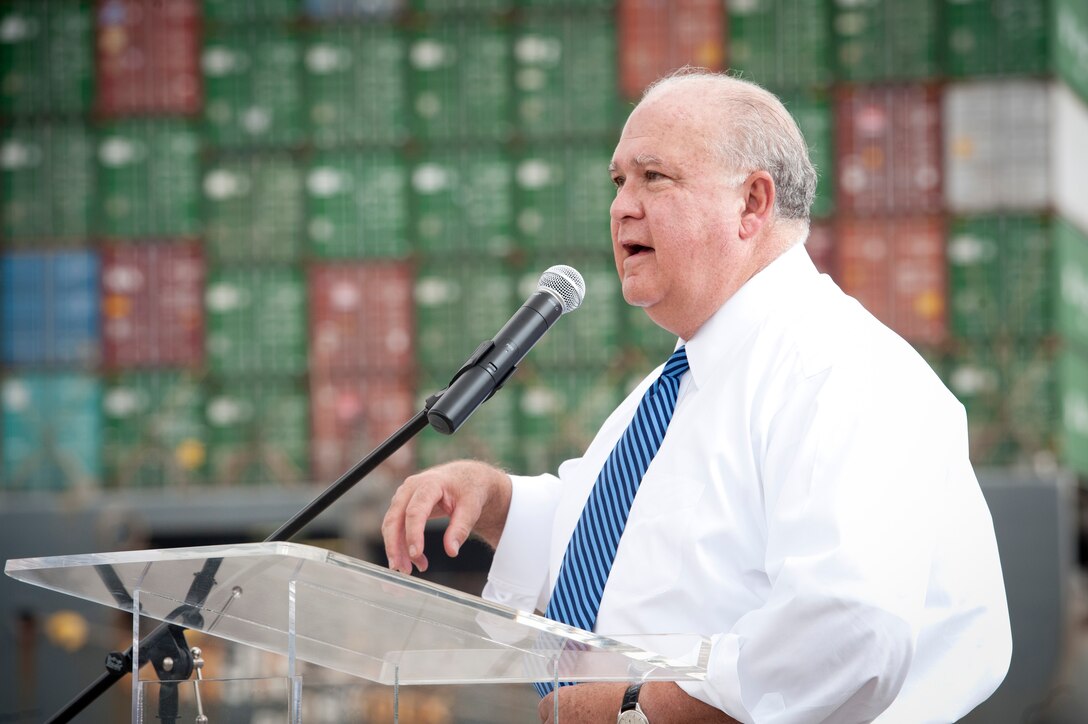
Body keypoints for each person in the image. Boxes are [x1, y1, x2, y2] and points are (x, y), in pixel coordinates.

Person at [382, 69, 1012, 723]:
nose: (623, 205)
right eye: (618, 181)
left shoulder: (840, 369)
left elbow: (850, 629)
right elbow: (623, 553)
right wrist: (495, 501)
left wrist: (636, 710)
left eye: (654, 177)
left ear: (752, 204)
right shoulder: (673, 388)